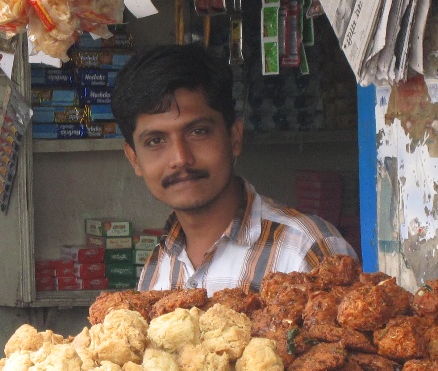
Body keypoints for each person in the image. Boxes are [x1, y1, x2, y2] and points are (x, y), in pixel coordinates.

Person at [110, 43, 354, 291]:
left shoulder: (307, 249)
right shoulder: (155, 272)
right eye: (155, 141)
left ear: (234, 137)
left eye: (198, 132)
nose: (180, 158)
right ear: (134, 159)